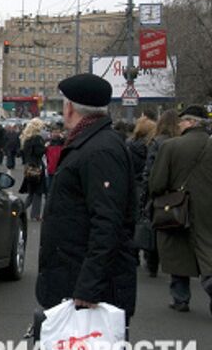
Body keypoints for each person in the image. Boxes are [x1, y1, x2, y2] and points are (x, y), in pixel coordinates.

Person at [36, 73, 137, 320]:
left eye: (63, 103)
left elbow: (107, 222)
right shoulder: (91, 142)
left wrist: (89, 286)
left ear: (70, 108)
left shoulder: (99, 150)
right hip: (74, 279)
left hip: (89, 291)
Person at [149, 105, 212, 314]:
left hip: (177, 205)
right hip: (207, 208)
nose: (180, 124)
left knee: (177, 249)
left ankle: (180, 297)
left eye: (183, 121)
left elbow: (157, 182)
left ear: (192, 122)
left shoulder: (171, 146)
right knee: (207, 249)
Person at [140, 109, 180, 276]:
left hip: (159, 192)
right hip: (179, 193)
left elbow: (149, 171)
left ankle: (153, 262)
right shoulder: (180, 141)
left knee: (155, 227)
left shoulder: (156, 142)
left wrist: (146, 193)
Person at [19, 118, 46, 221]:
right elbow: (39, 152)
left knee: (31, 192)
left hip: (28, 167)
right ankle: (35, 215)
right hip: (37, 167)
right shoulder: (37, 139)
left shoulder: (26, 139)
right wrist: (46, 147)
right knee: (38, 192)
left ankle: (20, 210)